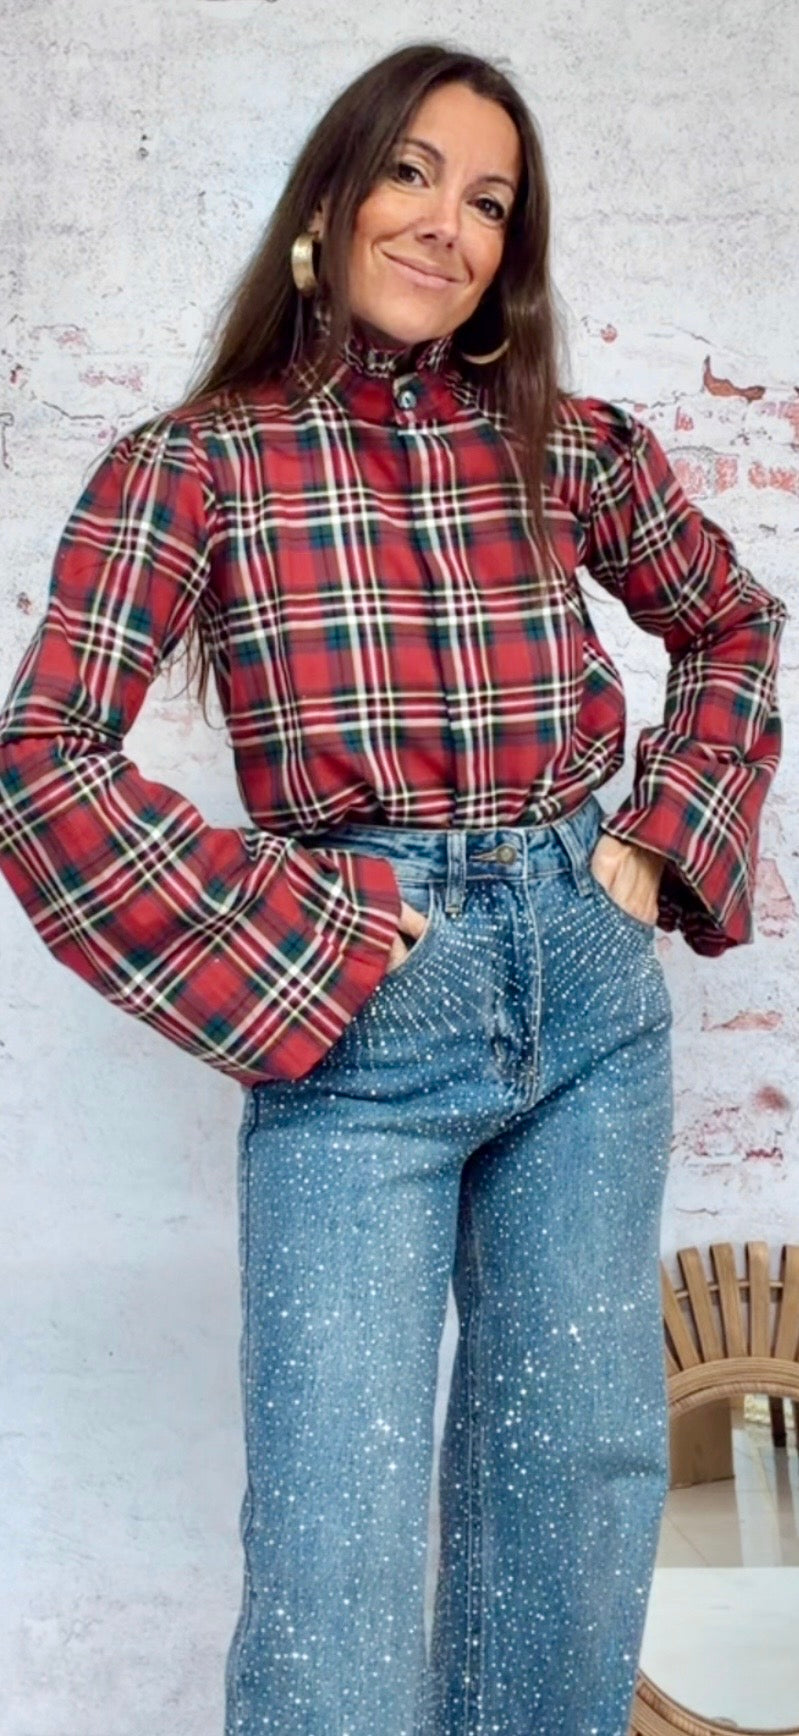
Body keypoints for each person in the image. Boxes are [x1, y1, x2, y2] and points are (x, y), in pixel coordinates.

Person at [0, 38, 786, 1736]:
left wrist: (663, 837)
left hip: (589, 999)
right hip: (366, 1025)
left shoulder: (569, 444)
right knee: (336, 1540)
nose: (447, 223)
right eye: (414, 174)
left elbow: (734, 623)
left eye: (489, 201)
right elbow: (41, 758)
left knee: (574, 1481)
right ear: (332, 198)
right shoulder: (194, 463)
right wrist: (317, 931)